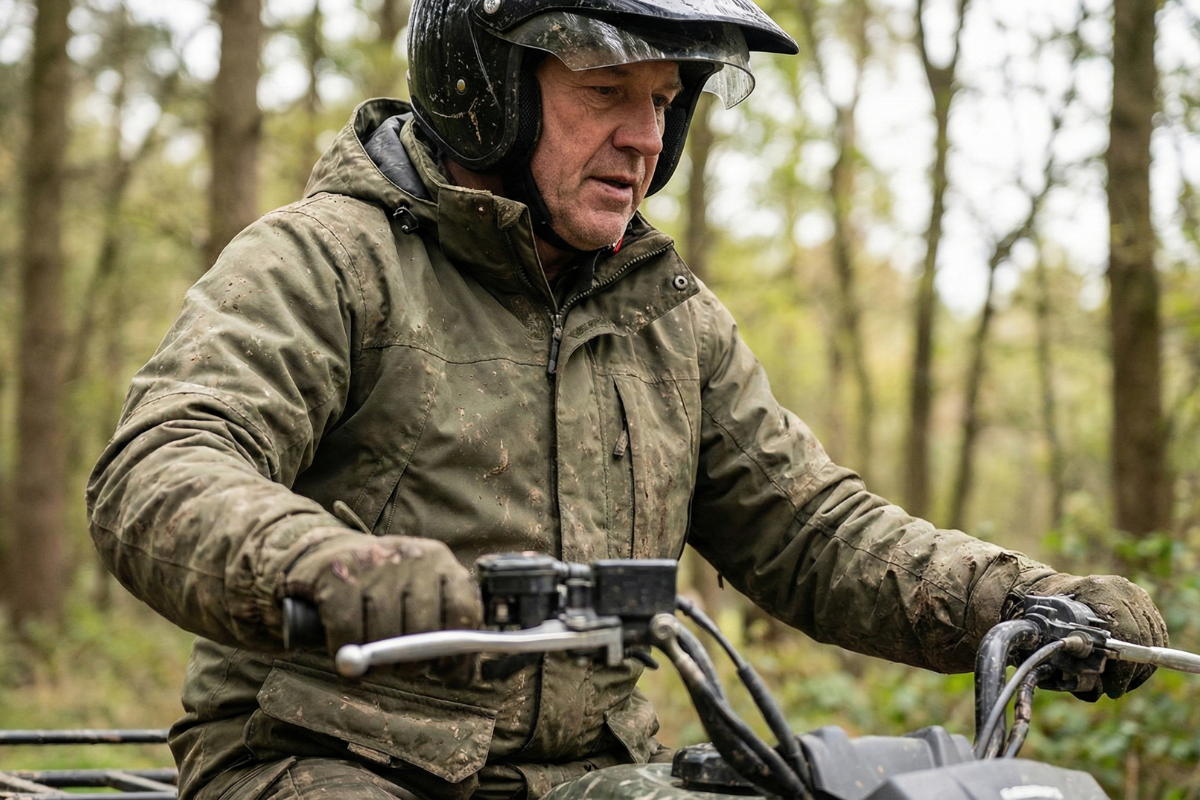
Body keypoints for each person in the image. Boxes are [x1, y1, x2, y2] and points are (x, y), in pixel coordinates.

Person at [85, 0, 1168, 798]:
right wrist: (326, 562)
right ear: (486, 89)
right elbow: (163, 464)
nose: (648, 137)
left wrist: (1022, 600)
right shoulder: (329, 262)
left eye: (663, 100)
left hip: (594, 770)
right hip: (327, 756)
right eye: (607, 92)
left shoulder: (668, 315)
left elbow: (808, 526)